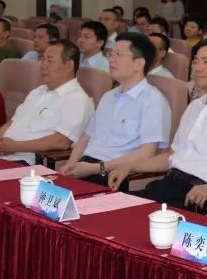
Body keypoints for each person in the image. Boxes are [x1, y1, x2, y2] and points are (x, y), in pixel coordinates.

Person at [110, 39, 207, 210]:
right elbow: (171, 156)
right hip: (168, 184)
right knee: (112, 208)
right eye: (195, 61)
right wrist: (130, 166)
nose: (197, 68)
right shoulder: (195, 105)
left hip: (199, 196)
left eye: (205, 62)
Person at [60, 33, 171, 191]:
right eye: (110, 54)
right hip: (85, 167)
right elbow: (86, 138)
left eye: (118, 55)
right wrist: (70, 166)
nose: (111, 60)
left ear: (138, 63)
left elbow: (147, 153)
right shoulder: (109, 96)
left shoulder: (153, 101)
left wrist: (95, 168)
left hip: (112, 174)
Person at [0, 39, 95, 165]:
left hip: (26, 161)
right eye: (42, 59)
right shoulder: (38, 91)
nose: (43, 65)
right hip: (0, 154)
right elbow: (13, 121)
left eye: (49, 60)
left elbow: (61, 142)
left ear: (68, 65)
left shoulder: (77, 99)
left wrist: (13, 146)